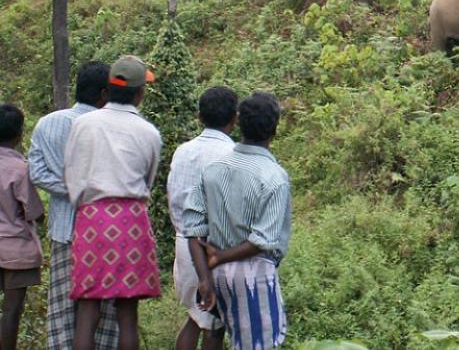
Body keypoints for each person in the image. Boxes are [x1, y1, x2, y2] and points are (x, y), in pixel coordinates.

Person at [64, 55, 162, 350]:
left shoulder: (83, 125)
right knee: (127, 313)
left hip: (92, 218)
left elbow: (72, 172)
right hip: (131, 219)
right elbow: (148, 180)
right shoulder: (149, 132)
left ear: (108, 88)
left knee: (88, 309)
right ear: (140, 93)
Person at [184, 92, 292, 349]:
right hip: (254, 274)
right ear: (274, 130)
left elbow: (193, 229)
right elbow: (263, 240)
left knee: (219, 337)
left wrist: (204, 277)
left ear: (239, 124)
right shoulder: (275, 177)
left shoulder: (213, 169)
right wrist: (220, 257)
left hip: (217, 276)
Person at [29, 61, 120, 350]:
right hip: (107, 231)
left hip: (64, 231)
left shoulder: (48, 123)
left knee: (63, 312)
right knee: (105, 315)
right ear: (105, 93)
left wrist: (70, 190)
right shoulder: (113, 127)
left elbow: (38, 173)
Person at [168, 87, 238, 350]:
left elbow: (173, 198)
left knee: (196, 318)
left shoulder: (183, 151)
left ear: (199, 116)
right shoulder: (233, 156)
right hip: (212, 251)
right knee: (214, 327)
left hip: (184, 244)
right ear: (235, 118)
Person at [0, 103, 44, 350]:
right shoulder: (20, 168)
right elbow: (34, 212)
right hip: (16, 250)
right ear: (19, 135)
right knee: (12, 310)